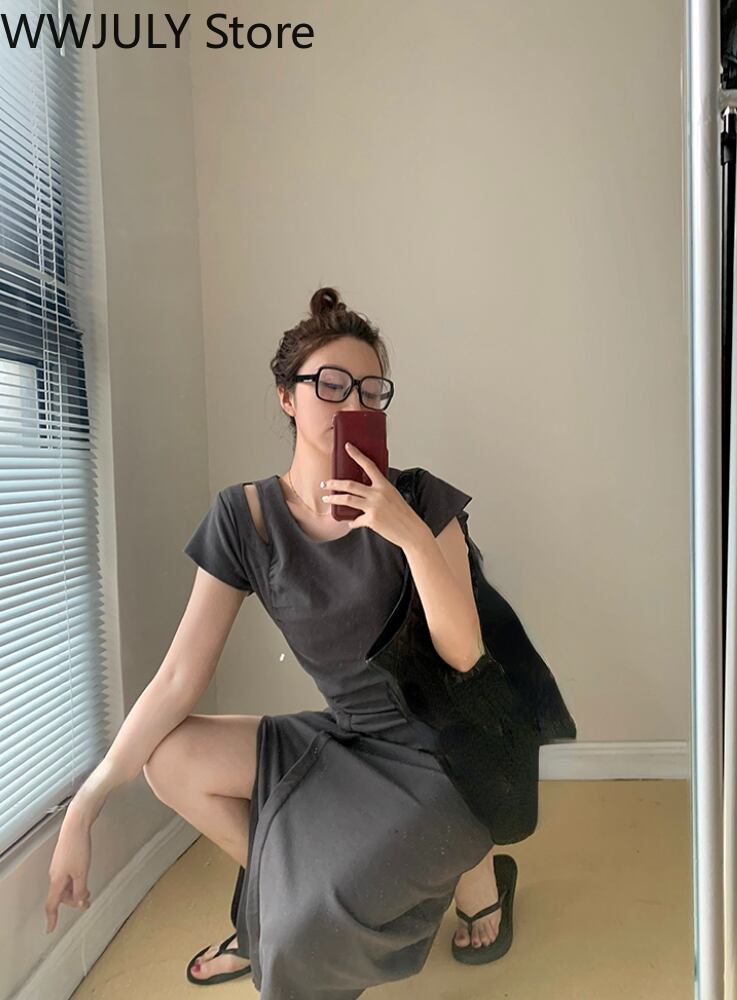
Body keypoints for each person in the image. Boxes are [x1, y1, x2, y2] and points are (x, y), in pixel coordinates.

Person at [45, 286, 511, 997]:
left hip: (441, 746)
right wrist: (87, 804)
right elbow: (178, 678)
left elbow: (464, 657)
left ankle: (450, 873)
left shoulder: (419, 500)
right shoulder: (246, 517)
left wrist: (408, 535)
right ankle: (277, 895)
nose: (351, 405)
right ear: (287, 397)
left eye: (371, 392)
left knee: (305, 939)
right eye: (331, 385)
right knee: (169, 758)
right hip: (349, 738)